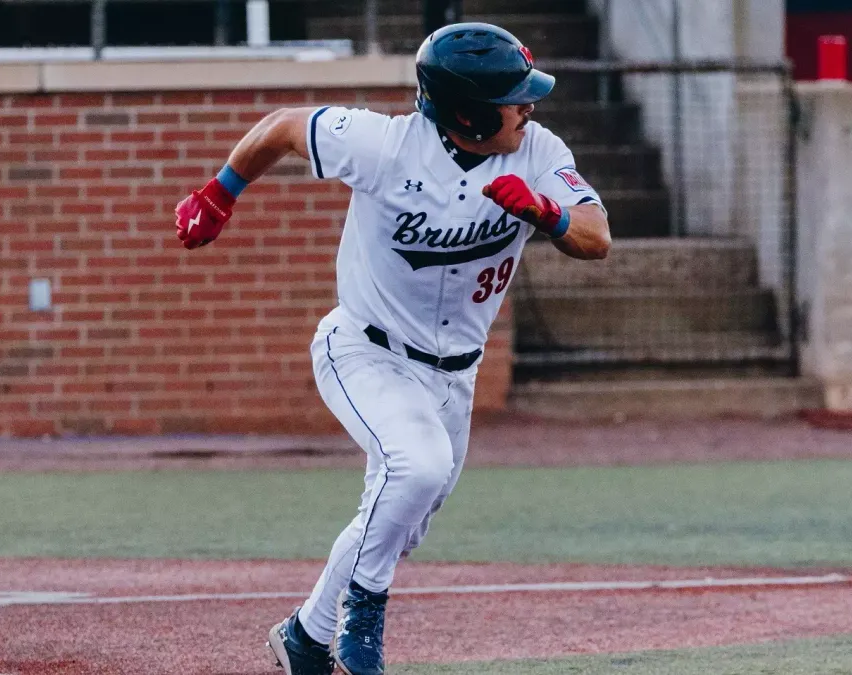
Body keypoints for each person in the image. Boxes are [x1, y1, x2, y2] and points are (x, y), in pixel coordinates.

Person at [173, 22, 610, 675]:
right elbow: (284, 127)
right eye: (512, 98)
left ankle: (305, 636)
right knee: (417, 467)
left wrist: (548, 213)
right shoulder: (384, 145)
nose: (528, 106)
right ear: (467, 113)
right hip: (365, 350)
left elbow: (597, 237)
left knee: (400, 520)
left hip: (455, 376)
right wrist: (220, 194)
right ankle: (365, 614)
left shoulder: (538, 150)